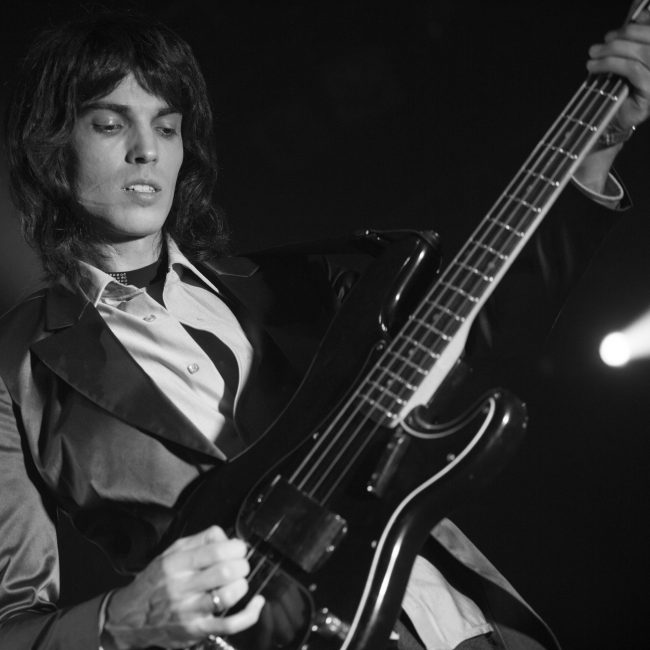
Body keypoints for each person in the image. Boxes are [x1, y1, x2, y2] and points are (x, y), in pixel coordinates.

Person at [0, 4, 649, 650]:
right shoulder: (16, 370)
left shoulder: (292, 284)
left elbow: (480, 340)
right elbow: (13, 621)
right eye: (110, 124)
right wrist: (119, 619)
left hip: (456, 626)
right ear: (51, 144)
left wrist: (593, 153)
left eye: (167, 127)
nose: (147, 150)